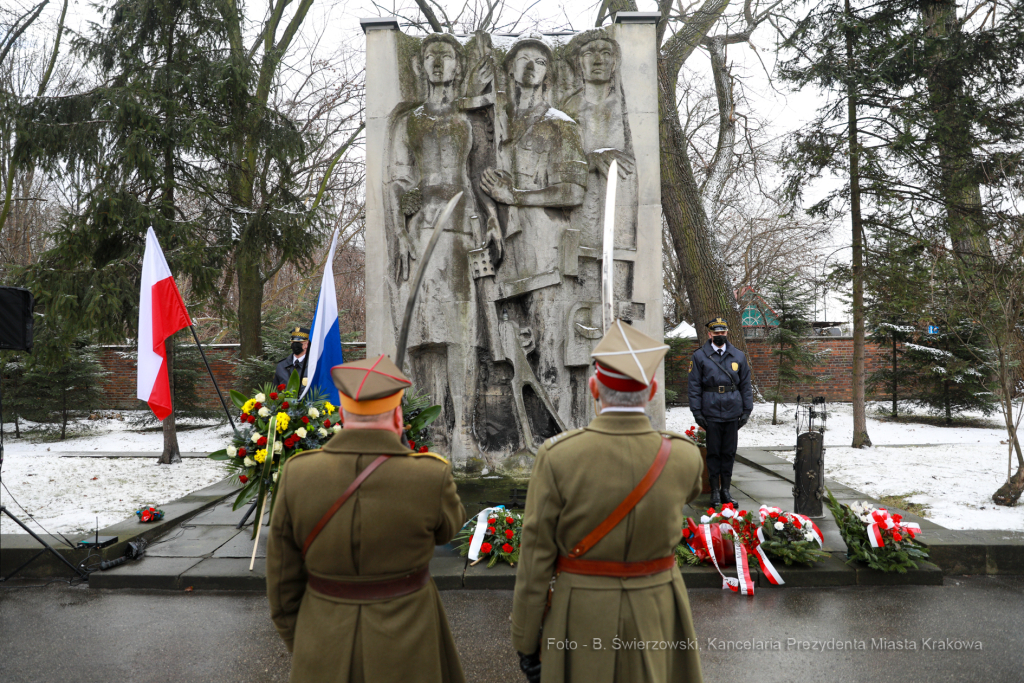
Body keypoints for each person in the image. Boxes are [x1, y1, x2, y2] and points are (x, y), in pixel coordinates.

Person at [511, 320, 705, 683]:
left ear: (593, 388)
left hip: (580, 611)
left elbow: (535, 558)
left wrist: (526, 639)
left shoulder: (558, 457)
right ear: (652, 390)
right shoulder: (684, 455)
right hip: (657, 607)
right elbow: (690, 492)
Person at [266, 354, 467, 683]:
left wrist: (303, 644)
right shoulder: (430, 475)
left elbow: (281, 582)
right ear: (398, 417)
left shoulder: (297, 473)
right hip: (410, 643)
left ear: (343, 414)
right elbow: (448, 530)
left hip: (323, 639)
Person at [687, 317, 753, 507]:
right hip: (711, 409)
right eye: (716, 333)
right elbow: (694, 386)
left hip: (733, 410)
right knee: (714, 453)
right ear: (709, 334)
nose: (719, 335)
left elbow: (746, 385)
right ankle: (715, 491)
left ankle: (726, 490)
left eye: (722, 332)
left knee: (729, 452)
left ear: (727, 333)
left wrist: (747, 410)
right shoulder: (700, 356)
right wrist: (697, 412)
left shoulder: (738, 355)